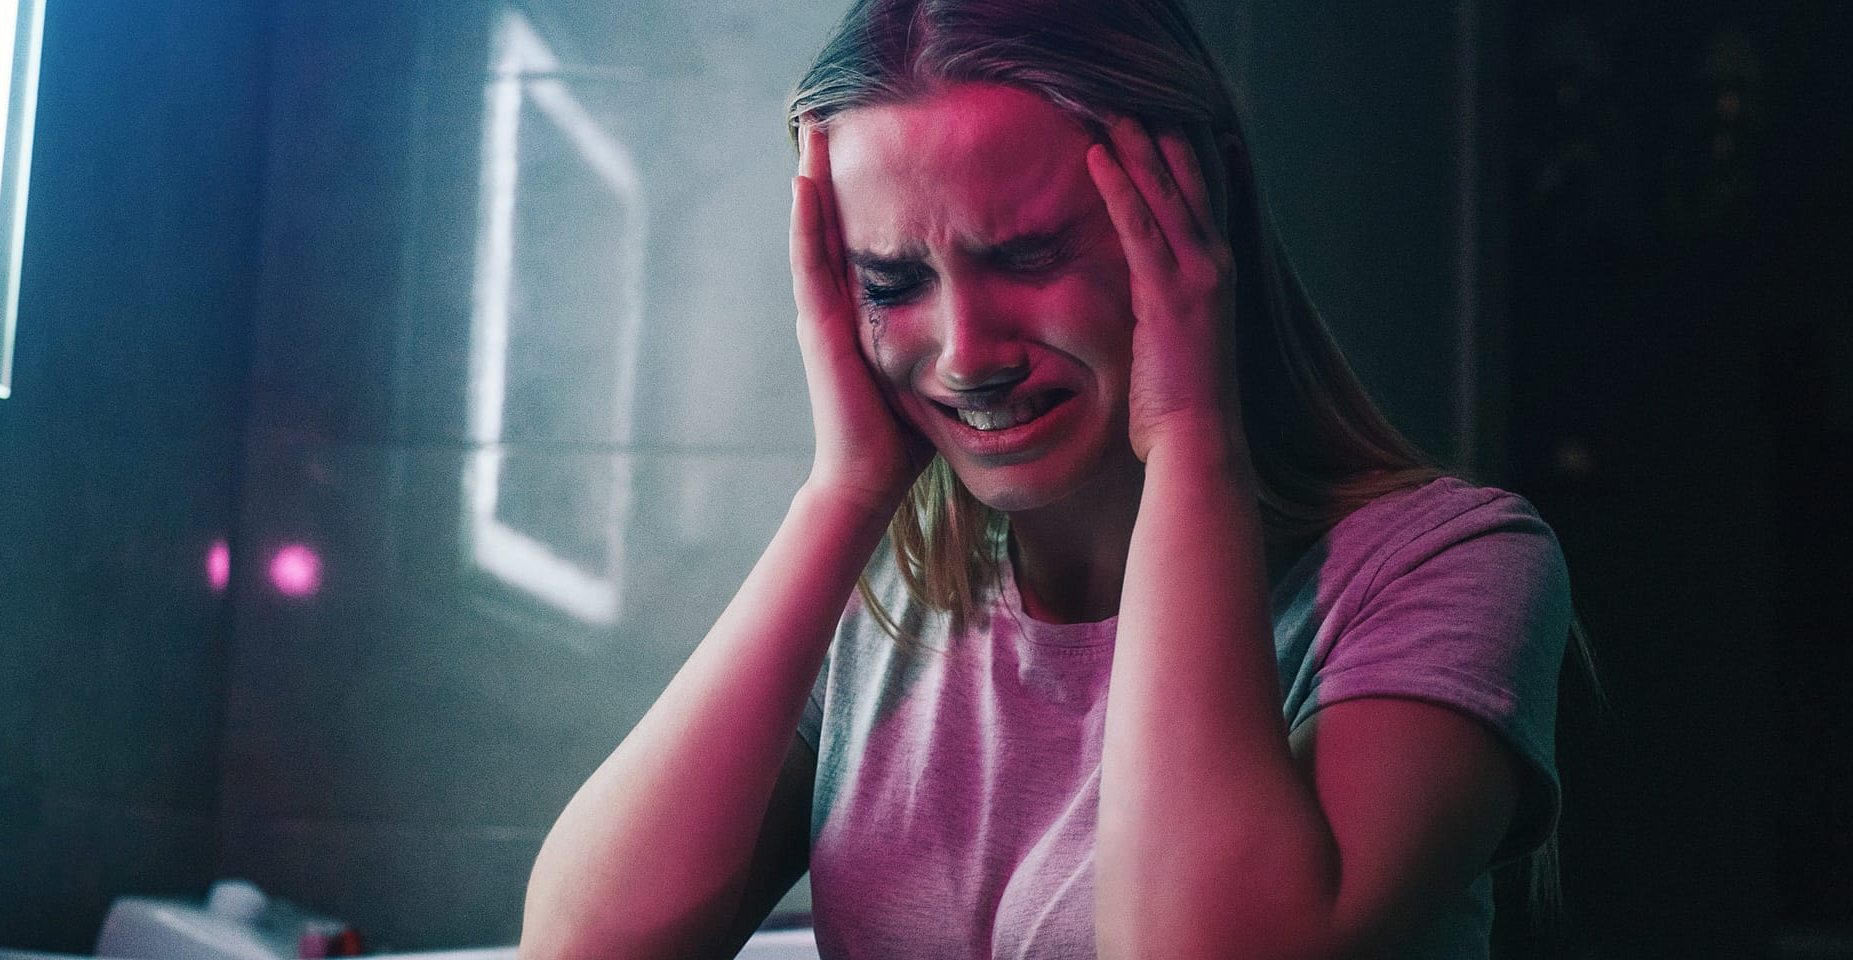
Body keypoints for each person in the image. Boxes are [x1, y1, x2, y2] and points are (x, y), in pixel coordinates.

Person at [519, 1, 1573, 957]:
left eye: (1027, 256)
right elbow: (585, 950)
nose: (968, 352)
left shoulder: (1448, 567)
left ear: (1207, 217)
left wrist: (1195, 439)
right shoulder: (885, 605)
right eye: (894, 281)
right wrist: (840, 493)